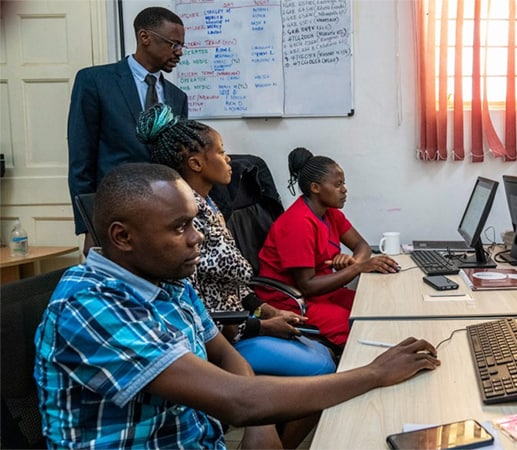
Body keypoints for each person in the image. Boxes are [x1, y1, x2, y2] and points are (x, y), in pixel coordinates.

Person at [34, 163, 440, 449]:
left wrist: (260, 424)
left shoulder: (167, 280)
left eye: (194, 222)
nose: (198, 238)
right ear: (122, 237)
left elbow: (229, 359)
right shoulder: (88, 306)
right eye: (180, 227)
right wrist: (373, 373)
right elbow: (237, 399)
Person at [136, 103, 335, 377]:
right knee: (322, 367)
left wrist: (267, 310)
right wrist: (261, 326)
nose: (229, 159)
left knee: (324, 354)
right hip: (219, 339)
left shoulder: (209, 205)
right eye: (220, 151)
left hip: (240, 323)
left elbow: (231, 285)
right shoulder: (183, 216)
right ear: (196, 163)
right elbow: (193, 308)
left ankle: (267, 416)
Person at [68, 6, 188, 255]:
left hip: (162, 220)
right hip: (112, 217)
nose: (179, 52)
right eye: (173, 44)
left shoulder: (178, 97)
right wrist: (91, 224)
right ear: (145, 37)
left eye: (181, 46)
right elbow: (81, 158)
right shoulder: (96, 82)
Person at [255, 148, 400, 348]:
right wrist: (357, 268)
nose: (344, 189)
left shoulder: (329, 213)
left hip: (324, 292)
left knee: (376, 308)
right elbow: (307, 285)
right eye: (338, 184)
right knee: (359, 328)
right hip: (295, 302)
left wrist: (353, 262)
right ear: (315, 188)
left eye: (344, 184)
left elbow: (362, 246)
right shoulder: (297, 223)